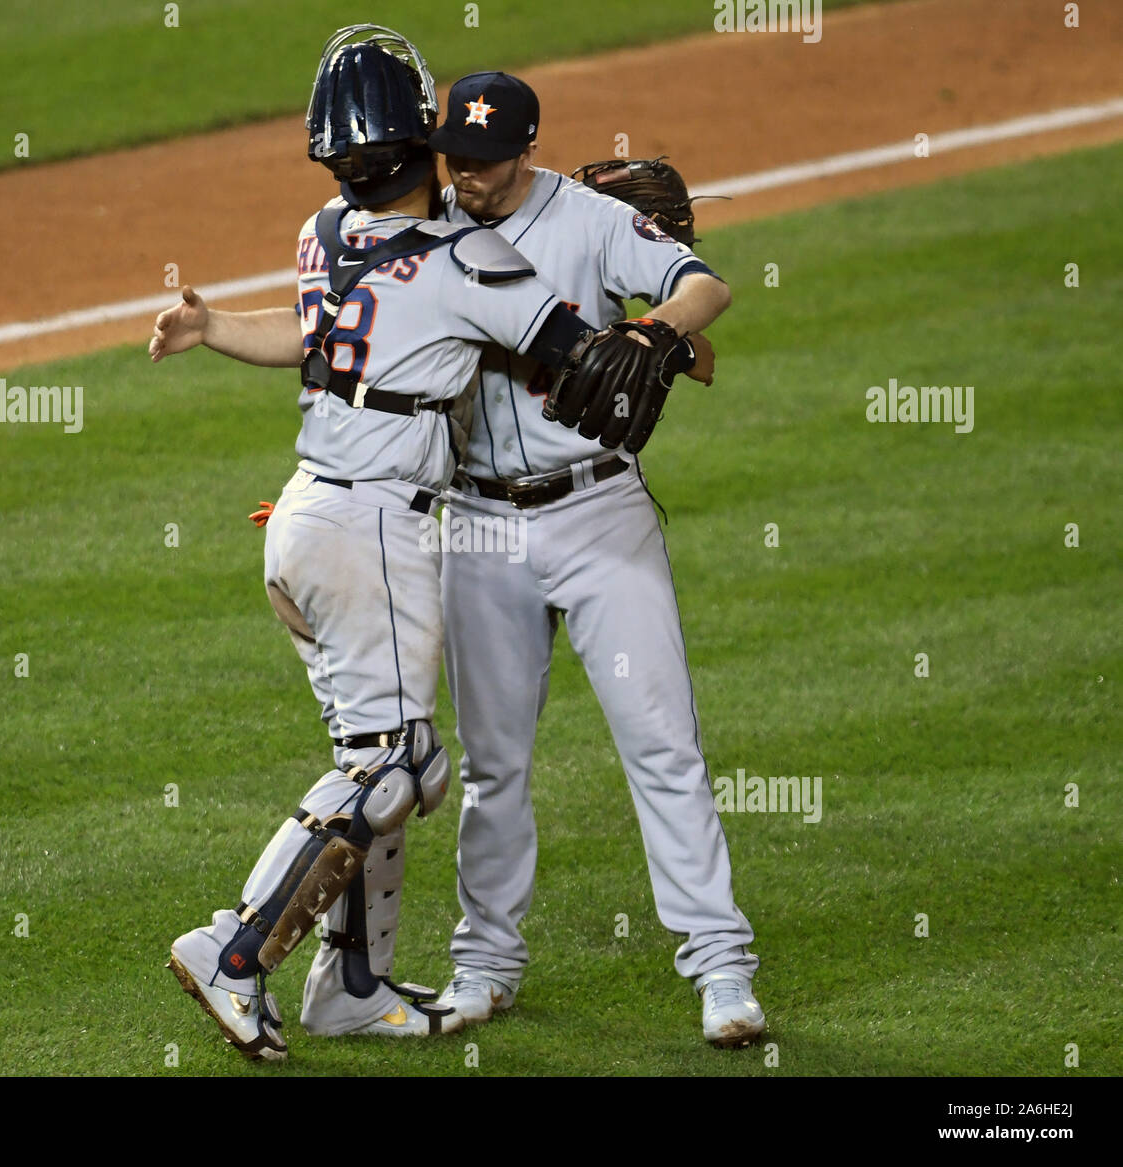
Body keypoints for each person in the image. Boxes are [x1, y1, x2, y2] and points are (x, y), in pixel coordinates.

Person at [150, 29, 626, 1058]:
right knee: (398, 763)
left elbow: (319, 338)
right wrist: (642, 290)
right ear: (425, 133)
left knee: (377, 763)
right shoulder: (466, 257)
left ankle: (351, 986)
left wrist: (211, 326)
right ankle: (232, 951)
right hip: (369, 529)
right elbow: (581, 358)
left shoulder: (323, 228)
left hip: (306, 518)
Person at [423, 72, 767, 1048]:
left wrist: (654, 325)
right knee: (494, 766)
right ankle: (484, 964)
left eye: (485, 164)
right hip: (477, 523)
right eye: (456, 159)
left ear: (525, 150)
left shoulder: (590, 220)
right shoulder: (426, 233)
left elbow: (707, 284)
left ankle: (721, 969)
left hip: (600, 516)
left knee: (661, 745)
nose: (468, 178)